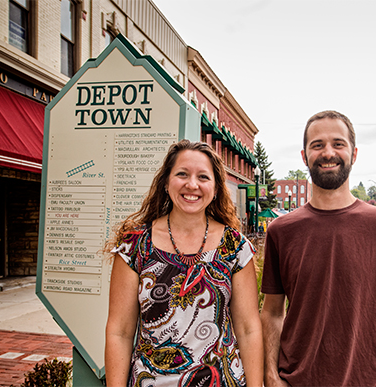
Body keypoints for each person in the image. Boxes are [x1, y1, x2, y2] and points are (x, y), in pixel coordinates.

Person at [260, 110, 376, 386]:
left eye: (338, 143)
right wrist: (271, 377)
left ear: (354, 154)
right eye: (317, 145)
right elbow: (272, 312)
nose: (328, 152)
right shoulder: (281, 231)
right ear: (304, 156)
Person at [105, 140, 263, 387]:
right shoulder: (134, 246)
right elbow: (120, 332)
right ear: (166, 183)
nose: (192, 185)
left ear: (216, 188)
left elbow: (248, 328)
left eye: (203, 177)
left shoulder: (235, 247)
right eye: (182, 174)